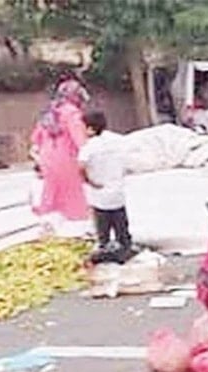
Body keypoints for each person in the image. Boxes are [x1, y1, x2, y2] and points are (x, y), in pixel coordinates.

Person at [30, 78, 90, 223]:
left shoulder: (49, 112)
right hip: (67, 159)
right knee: (72, 195)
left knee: (51, 193)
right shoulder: (72, 113)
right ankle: (78, 227)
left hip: (47, 159)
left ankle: (48, 225)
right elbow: (80, 141)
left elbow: (35, 139)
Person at [77, 110, 133, 264]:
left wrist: (89, 181)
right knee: (121, 225)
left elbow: (80, 167)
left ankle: (106, 251)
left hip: (100, 194)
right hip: (118, 191)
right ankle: (125, 249)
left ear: (90, 129)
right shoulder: (116, 140)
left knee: (103, 227)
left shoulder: (89, 147)